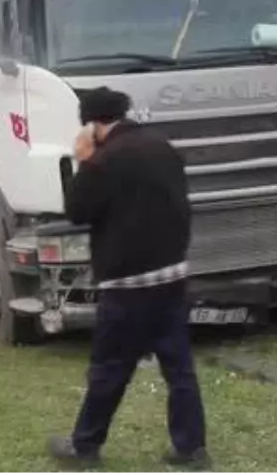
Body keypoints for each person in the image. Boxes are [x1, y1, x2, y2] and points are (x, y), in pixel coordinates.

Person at [48, 87, 210, 471]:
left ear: (93, 123)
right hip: (171, 277)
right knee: (179, 369)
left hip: (127, 286)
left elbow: (77, 210)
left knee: (109, 369)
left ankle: (84, 446)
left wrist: (84, 160)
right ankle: (191, 448)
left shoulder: (105, 160)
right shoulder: (161, 146)